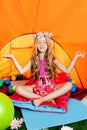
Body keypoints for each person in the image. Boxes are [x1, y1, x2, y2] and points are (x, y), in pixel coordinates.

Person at [2, 32, 85, 107]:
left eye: (44, 42)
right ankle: (47, 98)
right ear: (36, 45)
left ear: (48, 45)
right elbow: (21, 71)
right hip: (37, 89)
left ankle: (41, 100)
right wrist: (13, 58)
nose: (42, 45)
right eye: (39, 43)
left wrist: (75, 57)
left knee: (69, 85)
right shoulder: (33, 59)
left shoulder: (52, 58)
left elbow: (67, 70)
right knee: (18, 89)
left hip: (51, 88)